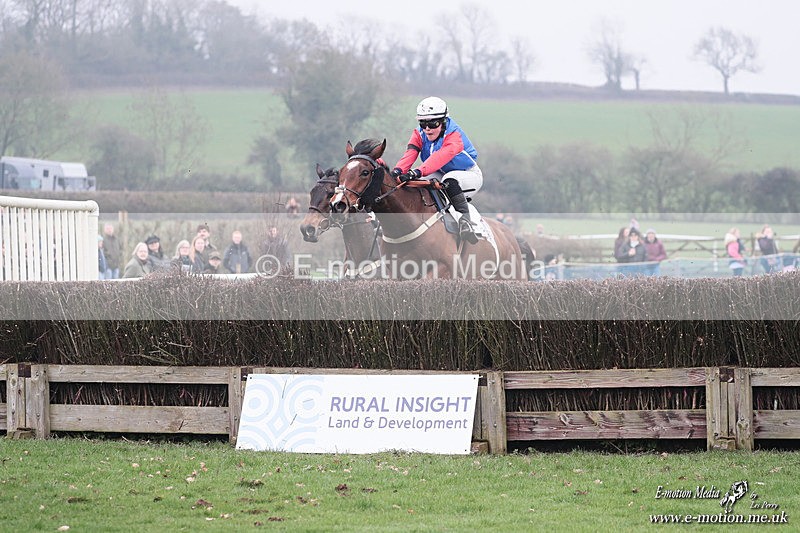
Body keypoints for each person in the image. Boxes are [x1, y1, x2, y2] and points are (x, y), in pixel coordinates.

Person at [391, 96, 482, 244]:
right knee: (414, 184)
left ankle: (466, 222)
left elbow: (439, 158)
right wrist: (396, 171)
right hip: (440, 172)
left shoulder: (454, 136)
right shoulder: (419, 133)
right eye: (423, 123)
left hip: (467, 174)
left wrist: (417, 171)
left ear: (444, 122)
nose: (427, 128)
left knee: (449, 181)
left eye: (432, 123)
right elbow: (410, 154)